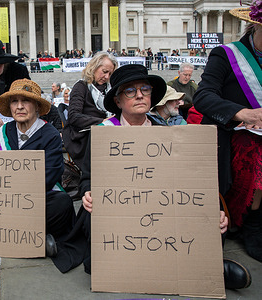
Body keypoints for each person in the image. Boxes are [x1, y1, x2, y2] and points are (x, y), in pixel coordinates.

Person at [53, 64, 252, 290]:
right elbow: (87, 177)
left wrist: (207, 209)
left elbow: (188, 181)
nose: (139, 95)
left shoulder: (168, 133)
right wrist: (88, 193)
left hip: (160, 207)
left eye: (145, 89)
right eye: (130, 91)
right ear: (117, 101)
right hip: (117, 210)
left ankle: (206, 266)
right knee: (95, 222)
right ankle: (183, 268)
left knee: (213, 220)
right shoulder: (103, 133)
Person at [193, 0, 262, 262]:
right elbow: (204, 96)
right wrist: (243, 114)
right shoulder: (226, 55)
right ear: (255, 23)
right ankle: (251, 222)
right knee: (256, 152)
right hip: (232, 134)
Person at [0, 79, 75, 256]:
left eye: (26, 101)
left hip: (36, 198)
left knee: (62, 204)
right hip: (4, 199)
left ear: (37, 106)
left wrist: (18, 196)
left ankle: (18, 237)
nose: (20, 106)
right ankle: (34, 239)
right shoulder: (1, 133)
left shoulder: (50, 135)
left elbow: (50, 176)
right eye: (15, 101)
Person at [62, 51, 118, 168]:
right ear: (94, 67)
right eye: (104, 71)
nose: (107, 77)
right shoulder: (80, 87)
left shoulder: (110, 90)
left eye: (110, 73)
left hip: (107, 135)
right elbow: (73, 116)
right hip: (84, 137)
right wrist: (103, 122)